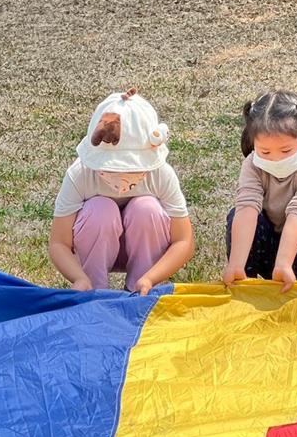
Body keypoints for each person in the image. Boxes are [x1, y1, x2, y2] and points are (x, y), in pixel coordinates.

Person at [49, 88, 194, 295]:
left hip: (144, 248)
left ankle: (139, 288)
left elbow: (184, 240)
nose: (121, 177)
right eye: (111, 169)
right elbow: (59, 243)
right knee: (100, 209)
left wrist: (151, 278)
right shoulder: (80, 174)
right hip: (94, 246)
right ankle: (94, 289)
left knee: (147, 209)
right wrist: (79, 278)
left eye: (130, 169)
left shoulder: (161, 175)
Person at [222, 91, 297, 292]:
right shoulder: (252, 165)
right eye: (265, 151)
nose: (275, 159)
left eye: (285, 151)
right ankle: (243, 281)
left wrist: (283, 263)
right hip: (266, 246)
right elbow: (247, 209)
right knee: (236, 215)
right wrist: (236, 263)